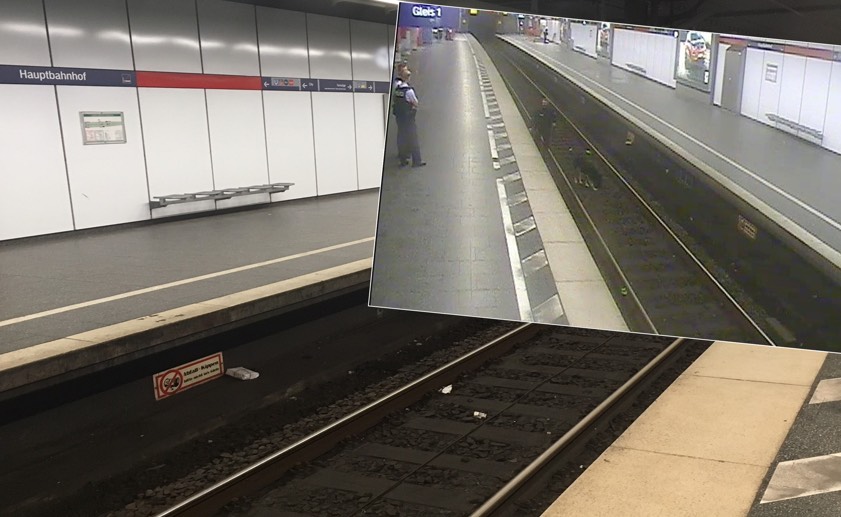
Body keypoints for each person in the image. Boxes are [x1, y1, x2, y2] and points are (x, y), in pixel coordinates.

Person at [392, 67, 425, 168]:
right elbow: (415, 103)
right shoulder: (409, 91)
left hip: (399, 117)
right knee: (413, 138)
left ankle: (403, 160)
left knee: (401, 136)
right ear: (408, 78)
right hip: (408, 118)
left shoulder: (397, 89)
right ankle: (417, 161)